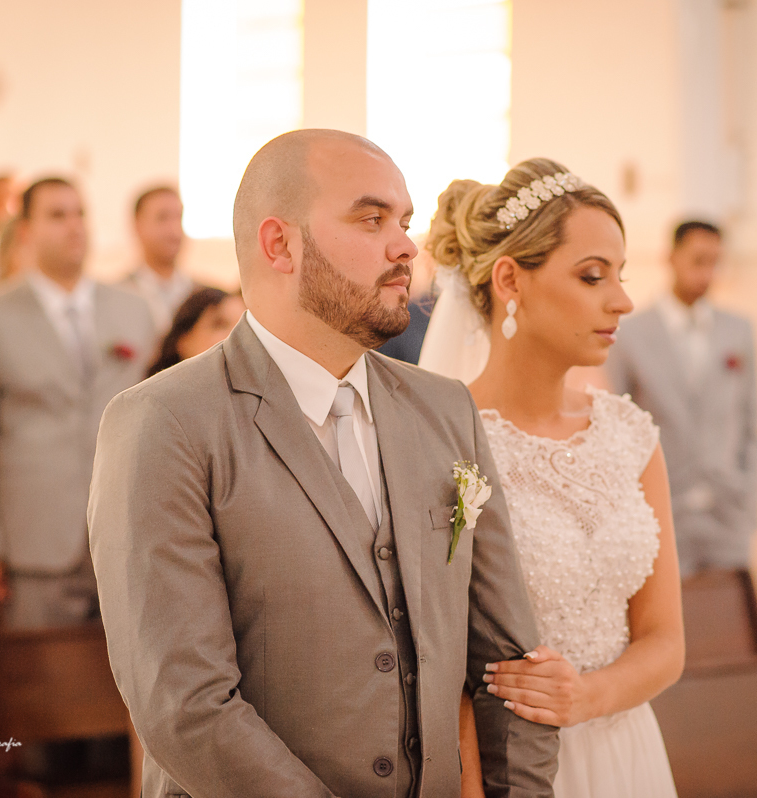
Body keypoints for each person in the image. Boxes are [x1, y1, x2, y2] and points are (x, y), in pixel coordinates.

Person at [88, 129, 559, 798]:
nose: (404, 246)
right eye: (371, 219)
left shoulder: (444, 411)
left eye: (404, 221)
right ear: (280, 244)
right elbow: (185, 705)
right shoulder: (164, 423)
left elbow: (510, 666)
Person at [418, 159, 684, 797]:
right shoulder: (445, 443)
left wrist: (586, 697)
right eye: (593, 276)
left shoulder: (631, 436)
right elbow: (435, 661)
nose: (621, 299)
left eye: (621, 276)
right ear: (510, 279)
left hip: (627, 755)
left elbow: (665, 641)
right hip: (509, 767)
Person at [0, 177, 153, 629]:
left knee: (121, 693)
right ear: (25, 231)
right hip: (33, 543)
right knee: (37, 690)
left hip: (123, 536)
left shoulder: (132, 311)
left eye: (79, 213)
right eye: (57, 215)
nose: (74, 226)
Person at [605, 220, 757, 576]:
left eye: (716, 262)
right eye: (699, 260)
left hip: (728, 514)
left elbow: (751, 424)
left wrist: (748, 501)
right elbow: (616, 429)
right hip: (661, 512)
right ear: (671, 258)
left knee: (729, 620)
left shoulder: (739, 330)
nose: (708, 273)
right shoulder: (629, 334)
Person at [118, 185, 192, 335]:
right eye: (162, 218)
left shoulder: (202, 295)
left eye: (179, 217)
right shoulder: (116, 297)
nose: (174, 230)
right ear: (137, 226)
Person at [146, 286, 245, 377]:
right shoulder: (149, 394)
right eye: (220, 324)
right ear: (183, 339)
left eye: (242, 327)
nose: (236, 335)